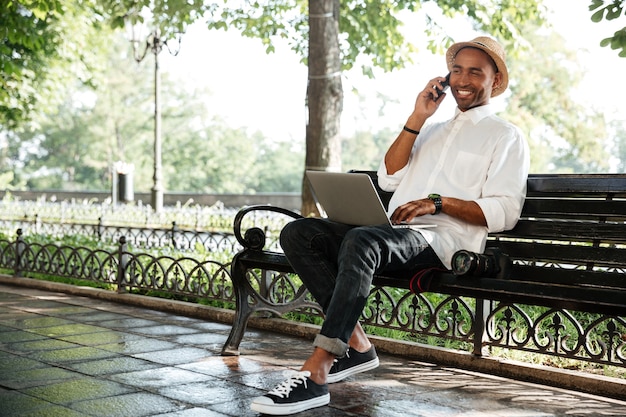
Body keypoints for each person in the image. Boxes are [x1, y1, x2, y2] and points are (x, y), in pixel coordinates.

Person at [250, 36, 530, 416]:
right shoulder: (429, 130)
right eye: (457, 70)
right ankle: (358, 347)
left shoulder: (505, 135)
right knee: (300, 233)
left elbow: (505, 209)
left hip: (444, 241)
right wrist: (418, 116)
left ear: (494, 81)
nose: (463, 79)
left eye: (475, 72)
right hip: (393, 235)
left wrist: (438, 202)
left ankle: (317, 372)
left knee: (362, 241)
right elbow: (389, 178)